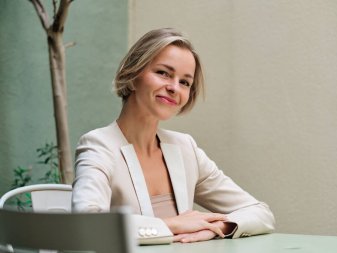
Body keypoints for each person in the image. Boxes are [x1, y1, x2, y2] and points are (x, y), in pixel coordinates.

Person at [72, 28, 275, 244]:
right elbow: (87, 225)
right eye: (163, 73)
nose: (174, 88)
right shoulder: (99, 146)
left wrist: (216, 228)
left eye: (185, 82)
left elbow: (260, 213)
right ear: (132, 76)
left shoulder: (185, 148)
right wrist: (171, 224)